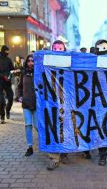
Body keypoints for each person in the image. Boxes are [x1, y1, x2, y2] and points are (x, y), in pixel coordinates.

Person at [47, 40, 68, 170]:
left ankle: (65, 152)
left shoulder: (70, 62)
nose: (58, 50)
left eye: (60, 48)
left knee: (65, 127)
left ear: (64, 49)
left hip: (66, 101)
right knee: (53, 127)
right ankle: (54, 157)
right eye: (55, 48)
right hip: (50, 101)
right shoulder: (47, 61)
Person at [18, 54, 37, 156]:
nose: (31, 63)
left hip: (37, 104)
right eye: (29, 61)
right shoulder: (23, 73)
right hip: (26, 104)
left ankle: (45, 145)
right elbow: (20, 87)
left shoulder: (39, 73)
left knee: (38, 126)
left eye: (33, 61)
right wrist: (20, 96)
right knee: (28, 125)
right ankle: (30, 147)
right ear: (26, 62)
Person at [0, 45, 14, 124]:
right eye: (6, 51)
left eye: (8, 52)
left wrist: (10, 75)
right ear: (2, 51)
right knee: (1, 101)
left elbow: (12, 70)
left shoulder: (9, 60)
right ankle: (2, 116)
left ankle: (7, 110)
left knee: (11, 98)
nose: (7, 53)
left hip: (7, 83)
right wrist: (3, 76)